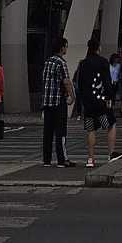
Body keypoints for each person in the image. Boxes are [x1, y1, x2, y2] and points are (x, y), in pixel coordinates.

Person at [75, 38, 122, 169]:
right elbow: (107, 82)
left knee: (91, 129)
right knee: (111, 124)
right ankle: (111, 153)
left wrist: (82, 100)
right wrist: (110, 98)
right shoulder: (103, 62)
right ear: (98, 48)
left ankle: (90, 159)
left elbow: (79, 83)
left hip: (88, 102)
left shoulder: (83, 63)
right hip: (101, 102)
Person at [42, 37, 75, 167]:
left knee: (48, 132)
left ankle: (47, 160)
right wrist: (72, 96)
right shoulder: (61, 63)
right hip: (58, 101)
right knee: (60, 132)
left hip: (47, 102)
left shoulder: (48, 62)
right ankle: (62, 160)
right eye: (66, 46)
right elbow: (66, 81)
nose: (67, 49)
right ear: (62, 48)